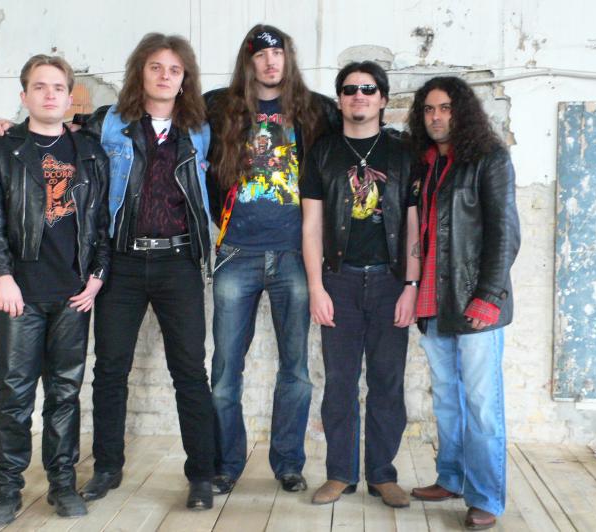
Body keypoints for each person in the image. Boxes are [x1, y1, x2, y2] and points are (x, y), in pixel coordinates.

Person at [0, 33, 216, 511]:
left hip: (178, 262)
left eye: (174, 69)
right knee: (109, 370)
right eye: (155, 67)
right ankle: (107, 467)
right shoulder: (108, 122)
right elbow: (50, 128)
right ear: (140, 73)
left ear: (185, 78)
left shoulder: (200, 129)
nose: (164, 76)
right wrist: (3, 126)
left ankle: (201, 476)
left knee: (191, 371)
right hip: (122, 263)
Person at [0, 54, 110, 526]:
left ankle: (62, 484)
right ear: (24, 95)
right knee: (14, 396)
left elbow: (101, 221)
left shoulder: (90, 151)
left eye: (58, 88)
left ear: (70, 98)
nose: (50, 94)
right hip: (21, 294)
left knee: (65, 395)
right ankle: (7, 488)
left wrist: (98, 274)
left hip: (74, 294)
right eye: (40, 86)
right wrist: (0, 276)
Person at [204, 24, 340, 495]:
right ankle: (226, 464)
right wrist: (85, 122)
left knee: (296, 370)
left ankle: (288, 462)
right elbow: (158, 112)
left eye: (278, 53)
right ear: (249, 62)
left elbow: (361, 135)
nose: (270, 62)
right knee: (225, 372)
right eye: (261, 55)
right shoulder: (219, 107)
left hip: (294, 255)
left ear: (288, 58)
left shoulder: (317, 110)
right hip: (236, 252)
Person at [301, 61, 419, 508]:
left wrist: (411, 285)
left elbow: (413, 223)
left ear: (383, 99)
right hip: (340, 280)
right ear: (339, 99)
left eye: (369, 89)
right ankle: (340, 473)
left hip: (390, 281)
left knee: (388, 382)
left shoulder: (403, 152)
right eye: (350, 89)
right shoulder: (323, 153)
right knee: (339, 383)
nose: (359, 96)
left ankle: (383, 475)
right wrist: (317, 287)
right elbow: (311, 226)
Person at [407, 76, 520, 530]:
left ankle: (486, 497)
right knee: (447, 401)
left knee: (481, 404)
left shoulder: (489, 159)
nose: (436, 117)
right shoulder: (426, 163)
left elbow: (505, 233)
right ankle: (451, 478)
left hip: (476, 303)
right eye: (429, 109)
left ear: (463, 112)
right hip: (434, 302)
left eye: (446, 108)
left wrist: (489, 297)